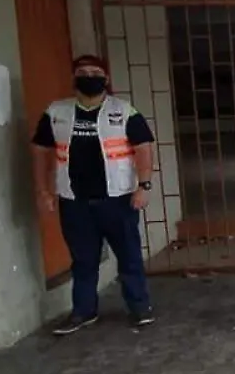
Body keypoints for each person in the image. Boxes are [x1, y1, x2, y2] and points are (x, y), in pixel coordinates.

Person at [31, 54, 156, 334]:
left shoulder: (124, 111)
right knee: (83, 261)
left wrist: (144, 186)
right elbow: (39, 151)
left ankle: (139, 307)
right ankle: (84, 311)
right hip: (74, 201)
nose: (89, 77)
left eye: (95, 73)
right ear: (74, 79)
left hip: (118, 199)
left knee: (129, 256)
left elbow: (143, 148)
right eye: (83, 73)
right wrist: (42, 190)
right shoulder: (56, 113)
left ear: (106, 79)